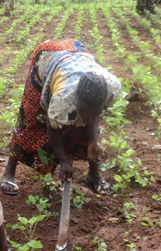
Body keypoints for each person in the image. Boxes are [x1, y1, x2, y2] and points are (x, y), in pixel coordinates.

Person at [1, 39, 121, 195]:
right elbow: (53, 128)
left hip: (77, 51)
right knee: (31, 120)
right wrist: (63, 161)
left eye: (91, 112)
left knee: (90, 131)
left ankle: (94, 174)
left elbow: (92, 115)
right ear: (75, 98)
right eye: (82, 111)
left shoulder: (111, 88)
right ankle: (9, 171)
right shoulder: (63, 97)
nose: (85, 117)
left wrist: (94, 142)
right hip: (47, 55)